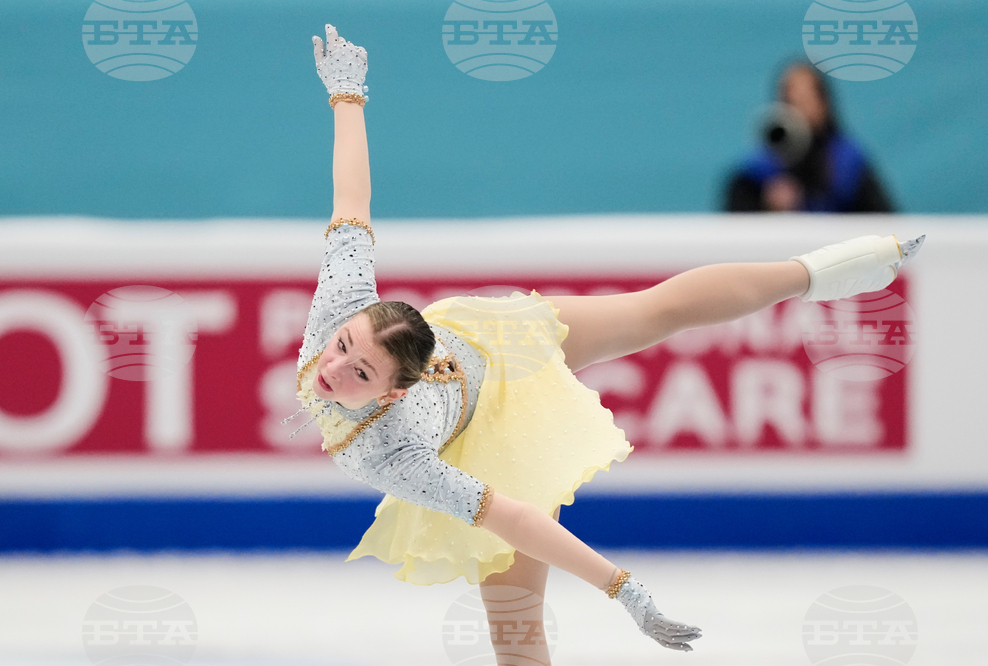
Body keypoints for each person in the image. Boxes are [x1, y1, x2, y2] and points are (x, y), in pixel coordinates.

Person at [290, 24, 923, 663]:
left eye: (357, 366)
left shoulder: (391, 442)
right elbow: (351, 199)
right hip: (467, 380)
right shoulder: (345, 312)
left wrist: (623, 589)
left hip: (500, 384)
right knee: (516, 642)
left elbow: (518, 517)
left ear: (395, 392)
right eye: (344, 350)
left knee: (657, 310)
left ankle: (825, 270)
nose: (332, 367)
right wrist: (346, 95)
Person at [724, 60, 897, 213]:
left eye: (806, 100)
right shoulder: (759, 169)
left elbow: (882, 221)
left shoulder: (848, 163)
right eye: (790, 101)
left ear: (824, 104)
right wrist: (765, 205)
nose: (798, 110)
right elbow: (734, 225)